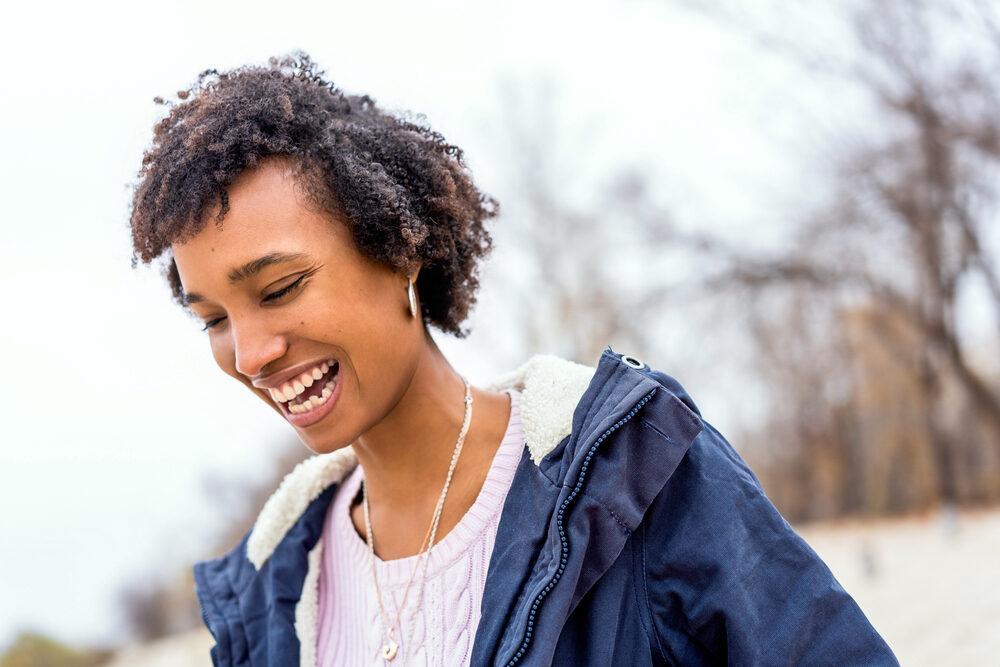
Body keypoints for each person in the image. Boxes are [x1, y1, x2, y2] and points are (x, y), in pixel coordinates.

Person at [129, 53, 898, 666]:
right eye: (214, 320)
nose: (253, 351)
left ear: (398, 252)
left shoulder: (632, 473)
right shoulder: (270, 594)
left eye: (282, 285)